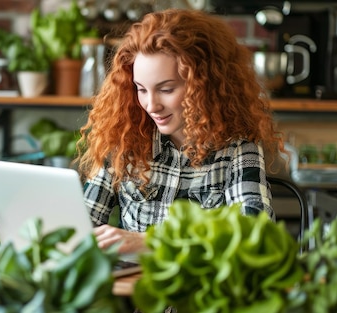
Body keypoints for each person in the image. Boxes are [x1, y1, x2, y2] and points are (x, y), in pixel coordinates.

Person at [75, 9, 285, 254]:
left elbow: (255, 235)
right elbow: (82, 225)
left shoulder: (238, 148)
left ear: (204, 85)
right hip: (132, 287)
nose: (151, 105)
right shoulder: (124, 137)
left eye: (166, 89)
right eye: (141, 89)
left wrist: (152, 243)